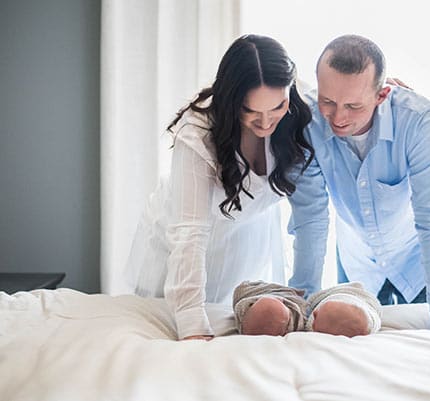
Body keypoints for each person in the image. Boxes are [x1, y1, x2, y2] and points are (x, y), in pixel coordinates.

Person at [125, 34, 314, 341]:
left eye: (277, 107)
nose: (266, 123)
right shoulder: (197, 134)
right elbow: (189, 233)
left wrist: (391, 99)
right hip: (184, 247)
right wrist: (192, 327)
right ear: (231, 101)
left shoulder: (297, 108)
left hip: (249, 241)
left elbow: (345, 104)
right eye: (251, 111)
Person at [287, 34, 430, 330]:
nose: (338, 117)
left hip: (419, 266)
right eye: (328, 101)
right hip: (357, 267)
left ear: (382, 95)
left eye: (353, 106)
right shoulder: (307, 122)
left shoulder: (418, 120)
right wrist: (301, 312)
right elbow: (310, 220)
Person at [233, 280, 381, 337]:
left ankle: (281, 311)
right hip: (342, 296)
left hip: (276, 293)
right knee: (352, 297)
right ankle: (347, 302)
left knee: (259, 293)